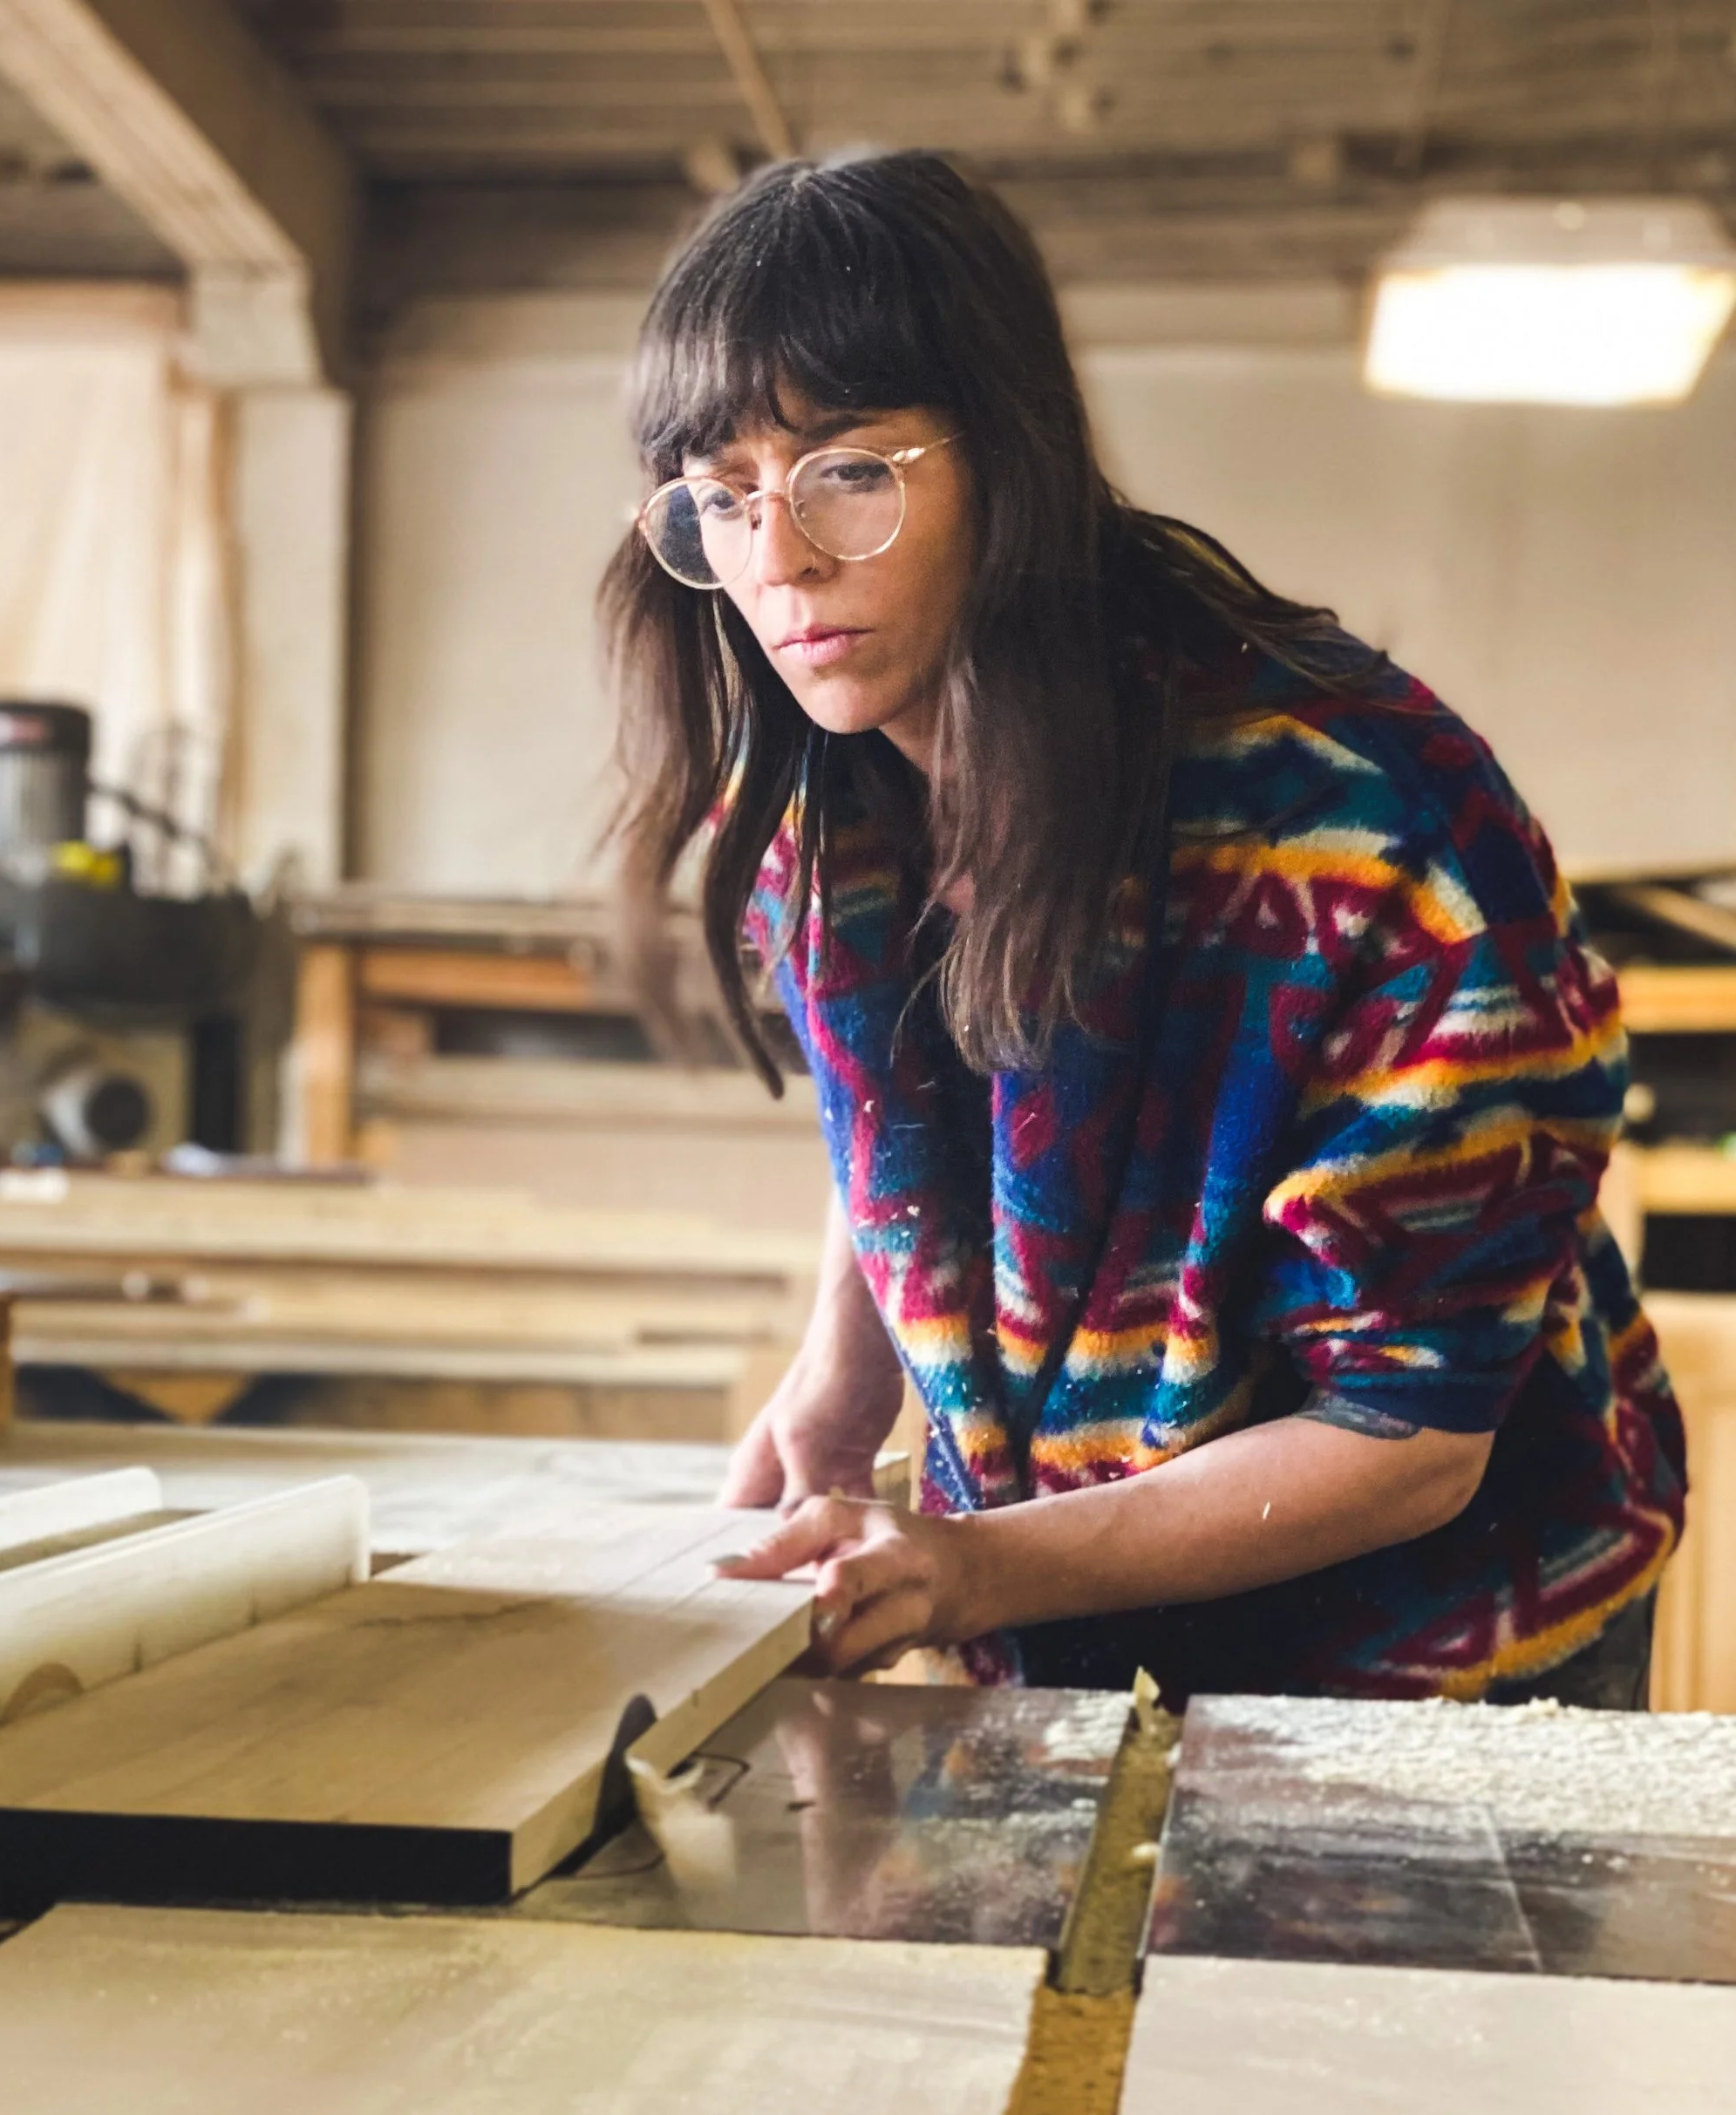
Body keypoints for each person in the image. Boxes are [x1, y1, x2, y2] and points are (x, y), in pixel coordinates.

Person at [601, 151, 1685, 1708]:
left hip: (1448, 1643)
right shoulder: (817, 790)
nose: (776, 564)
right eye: (722, 496)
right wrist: (847, 1365)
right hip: (1084, 1603)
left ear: (1011, 459)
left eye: (849, 470)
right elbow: (900, 1099)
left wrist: (978, 1563)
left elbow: (1412, 1444)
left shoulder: (1367, 831)